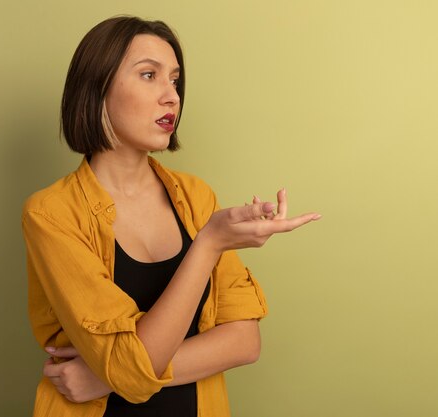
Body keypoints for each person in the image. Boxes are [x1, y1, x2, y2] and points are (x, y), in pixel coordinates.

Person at [22, 15, 320, 417]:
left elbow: (245, 341)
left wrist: (108, 376)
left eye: (175, 80)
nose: (172, 97)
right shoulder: (51, 214)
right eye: (149, 75)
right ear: (97, 88)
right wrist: (210, 243)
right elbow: (130, 364)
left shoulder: (196, 197)